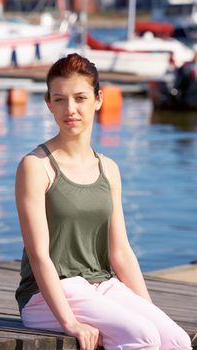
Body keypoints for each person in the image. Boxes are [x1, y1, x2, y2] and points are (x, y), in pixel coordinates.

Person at [15, 53, 192, 350]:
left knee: (175, 340)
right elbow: (39, 256)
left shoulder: (108, 169)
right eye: (59, 99)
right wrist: (70, 322)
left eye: (80, 97)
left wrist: (149, 310)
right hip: (47, 294)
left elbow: (120, 251)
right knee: (142, 336)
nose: (70, 109)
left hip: (101, 285)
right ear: (49, 104)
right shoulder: (35, 166)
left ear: (98, 99)